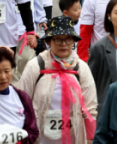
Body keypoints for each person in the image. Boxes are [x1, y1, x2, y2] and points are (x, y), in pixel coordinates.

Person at [17, 15, 97, 143]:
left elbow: (90, 107)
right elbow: (21, 102)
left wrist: (90, 138)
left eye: (68, 39)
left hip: (73, 137)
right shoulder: (35, 66)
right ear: (48, 41)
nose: (64, 44)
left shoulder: (81, 68)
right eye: (58, 39)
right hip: (41, 137)